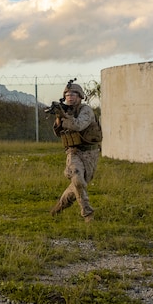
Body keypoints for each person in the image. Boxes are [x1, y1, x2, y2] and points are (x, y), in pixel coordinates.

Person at [49, 80, 103, 222]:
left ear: (80, 96)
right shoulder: (65, 110)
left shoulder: (86, 110)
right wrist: (59, 118)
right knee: (78, 180)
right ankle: (88, 214)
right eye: (67, 94)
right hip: (73, 152)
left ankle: (60, 206)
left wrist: (65, 116)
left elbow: (79, 125)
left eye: (73, 94)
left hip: (90, 153)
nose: (70, 96)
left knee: (77, 185)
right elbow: (58, 133)